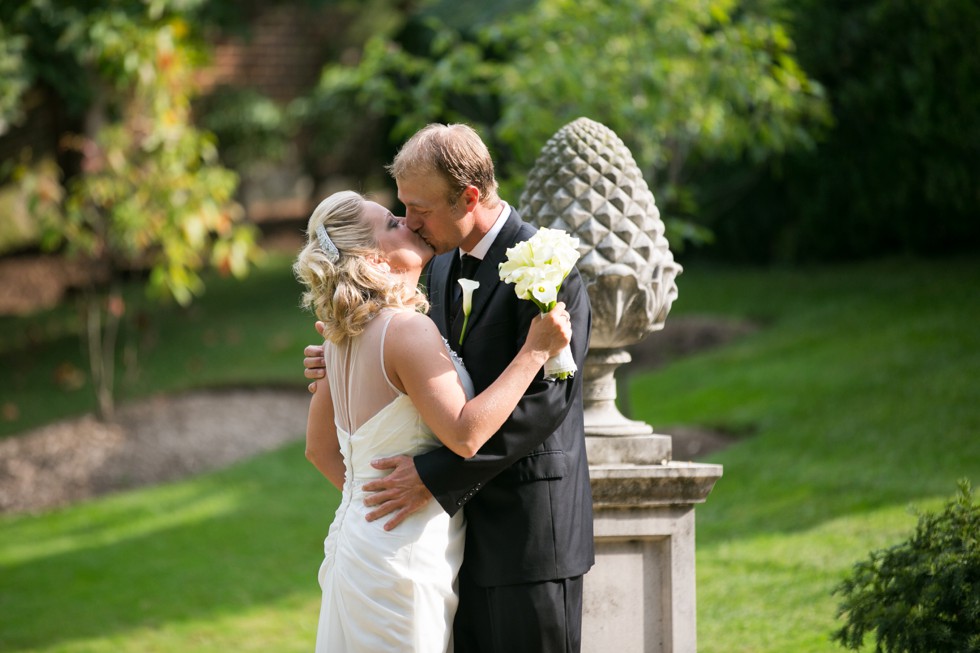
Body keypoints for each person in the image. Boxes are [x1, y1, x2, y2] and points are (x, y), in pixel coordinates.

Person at [304, 123, 595, 653]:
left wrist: (434, 479)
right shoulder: (432, 268)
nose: (411, 223)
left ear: (469, 196)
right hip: (438, 544)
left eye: (418, 209)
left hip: (525, 534)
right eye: (401, 212)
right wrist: (346, 361)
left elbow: (546, 404)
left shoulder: (548, 266)